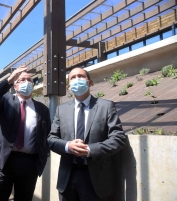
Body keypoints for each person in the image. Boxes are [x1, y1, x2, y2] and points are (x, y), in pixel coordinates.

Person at [47, 68, 126, 201]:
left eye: (81, 76)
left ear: (90, 82)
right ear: (68, 86)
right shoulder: (62, 110)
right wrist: (67, 146)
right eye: (73, 78)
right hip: (67, 176)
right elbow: (51, 139)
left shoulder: (106, 106)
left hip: (96, 178)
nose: (77, 80)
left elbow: (118, 138)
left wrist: (89, 150)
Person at [0, 66, 51, 201]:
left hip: (29, 163)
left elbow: (47, 134)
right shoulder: (6, 100)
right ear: (15, 86)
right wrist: (9, 79)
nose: (26, 82)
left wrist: (43, 156)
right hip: (4, 161)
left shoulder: (42, 109)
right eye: (21, 80)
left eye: (29, 80)